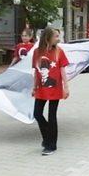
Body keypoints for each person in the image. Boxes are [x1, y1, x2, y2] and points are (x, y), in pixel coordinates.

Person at [32, 27, 70, 155]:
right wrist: (34, 87)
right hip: (41, 89)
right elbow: (36, 72)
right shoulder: (37, 52)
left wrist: (66, 87)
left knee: (52, 116)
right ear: (48, 37)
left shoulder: (59, 52)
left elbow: (62, 70)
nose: (58, 39)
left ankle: (51, 145)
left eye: (59, 36)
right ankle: (48, 136)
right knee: (37, 113)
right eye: (56, 36)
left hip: (55, 88)